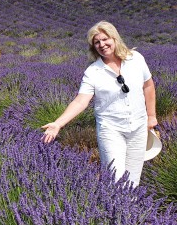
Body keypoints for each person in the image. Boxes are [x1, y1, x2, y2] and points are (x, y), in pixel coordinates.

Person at [41, 20, 157, 186]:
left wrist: (151, 116)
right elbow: (81, 101)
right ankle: (116, 210)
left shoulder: (136, 59)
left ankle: (129, 211)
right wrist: (58, 124)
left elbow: (148, 85)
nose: (102, 44)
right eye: (97, 42)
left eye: (105, 39)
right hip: (111, 130)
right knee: (115, 179)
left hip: (138, 127)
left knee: (133, 180)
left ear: (115, 38)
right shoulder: (93, 72)